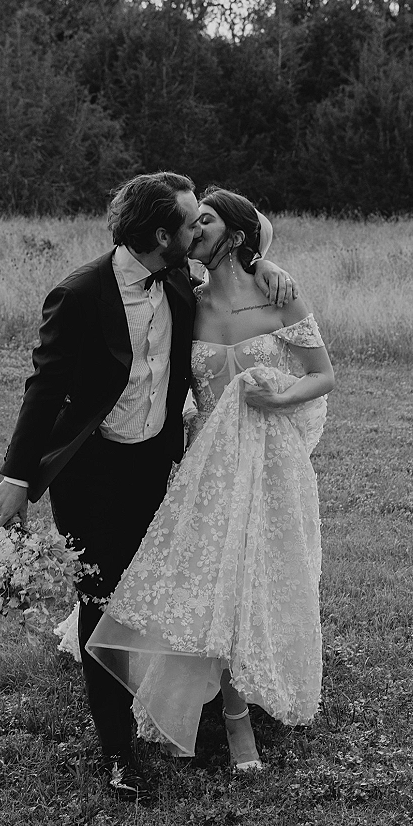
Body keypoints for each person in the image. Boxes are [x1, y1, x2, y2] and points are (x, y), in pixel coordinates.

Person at [0, 172, 296, 801]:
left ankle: (181, 695)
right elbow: (44, 388)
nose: (197, 229)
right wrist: (17, 478)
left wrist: (268, 266)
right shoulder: (79, 293)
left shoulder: (180, 282)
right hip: (90, 473)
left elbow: (239, 258)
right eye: (189, 222)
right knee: (102, 597)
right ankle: (119, 753)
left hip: (160, 467)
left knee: (156, 586)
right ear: (160, 236)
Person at [84, 187, 334, 773]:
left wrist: (280, 395)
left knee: (256, 575)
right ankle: (234, 716)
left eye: (205, 221)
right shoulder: (183, 299)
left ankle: (256, 676)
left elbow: (322, 376)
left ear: (236, 236)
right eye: (191, 222)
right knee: (215, 579)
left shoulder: (280, 295)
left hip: (271, 462)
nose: (191, 231)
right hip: (209, 465)